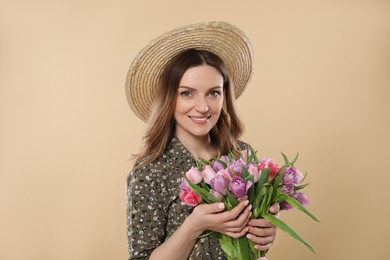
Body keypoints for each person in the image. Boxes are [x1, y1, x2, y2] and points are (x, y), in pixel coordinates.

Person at [125, 21, 279, 260]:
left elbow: (252, 241)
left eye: (213, 93)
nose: (203, 107)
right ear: (169, 99)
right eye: (187, 93)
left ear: (224, 96)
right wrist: (193, 226)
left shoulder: (242, 157)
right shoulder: (150, 172)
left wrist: (266, 229)